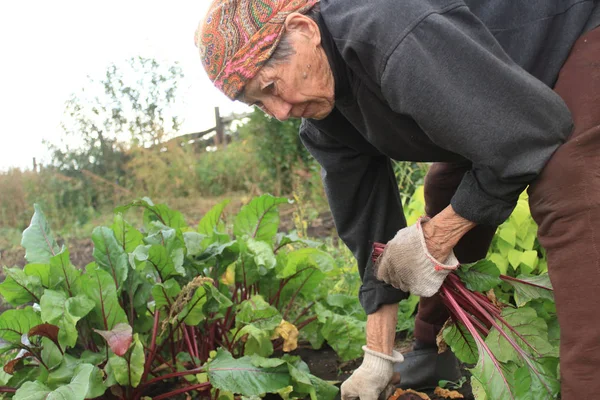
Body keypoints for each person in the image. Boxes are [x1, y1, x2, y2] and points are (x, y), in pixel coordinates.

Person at [195, 0, 600, 398]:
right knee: (447, 192)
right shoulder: (323, 121)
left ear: (305, 30)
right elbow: (369, 228)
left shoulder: (389, 33)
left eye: (271, 86)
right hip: (491, 92)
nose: (280, 112)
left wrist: (437, 237)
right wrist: (378, 355)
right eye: (259, 105)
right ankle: (428, 351)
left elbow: (526, 134)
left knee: (573, 184)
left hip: (572, 33)